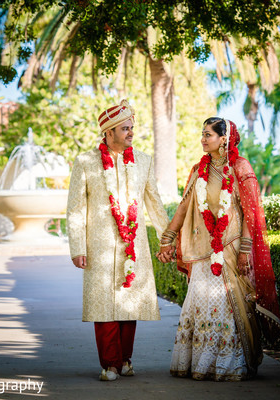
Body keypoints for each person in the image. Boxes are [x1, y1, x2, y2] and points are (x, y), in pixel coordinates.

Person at [156, 117, 280, 381]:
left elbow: (252, 213)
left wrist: (246, 249)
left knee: (227, 303)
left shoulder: (240, 168)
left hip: (231, 246)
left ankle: (229, 364)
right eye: (202, 134)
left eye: (208, 134)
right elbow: (183, 207)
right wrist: (168, 238)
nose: (203, 139)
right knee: (200, 302)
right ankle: (201, 363)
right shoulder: (197, 170)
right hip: (203, 250)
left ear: (223, 138)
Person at [67, 99, 169, 381]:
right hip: (99, 246)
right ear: (108, 132)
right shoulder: (86, 162)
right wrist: (77, 247)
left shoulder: (144, 161)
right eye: (125, 128)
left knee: (129, 304)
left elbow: (155, 204)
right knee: (103, 305)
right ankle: (110, 363)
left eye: (131, 128)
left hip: (133, 245)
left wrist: (167, 239)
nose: (130, 133)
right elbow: (76, 208)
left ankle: (125, 359)